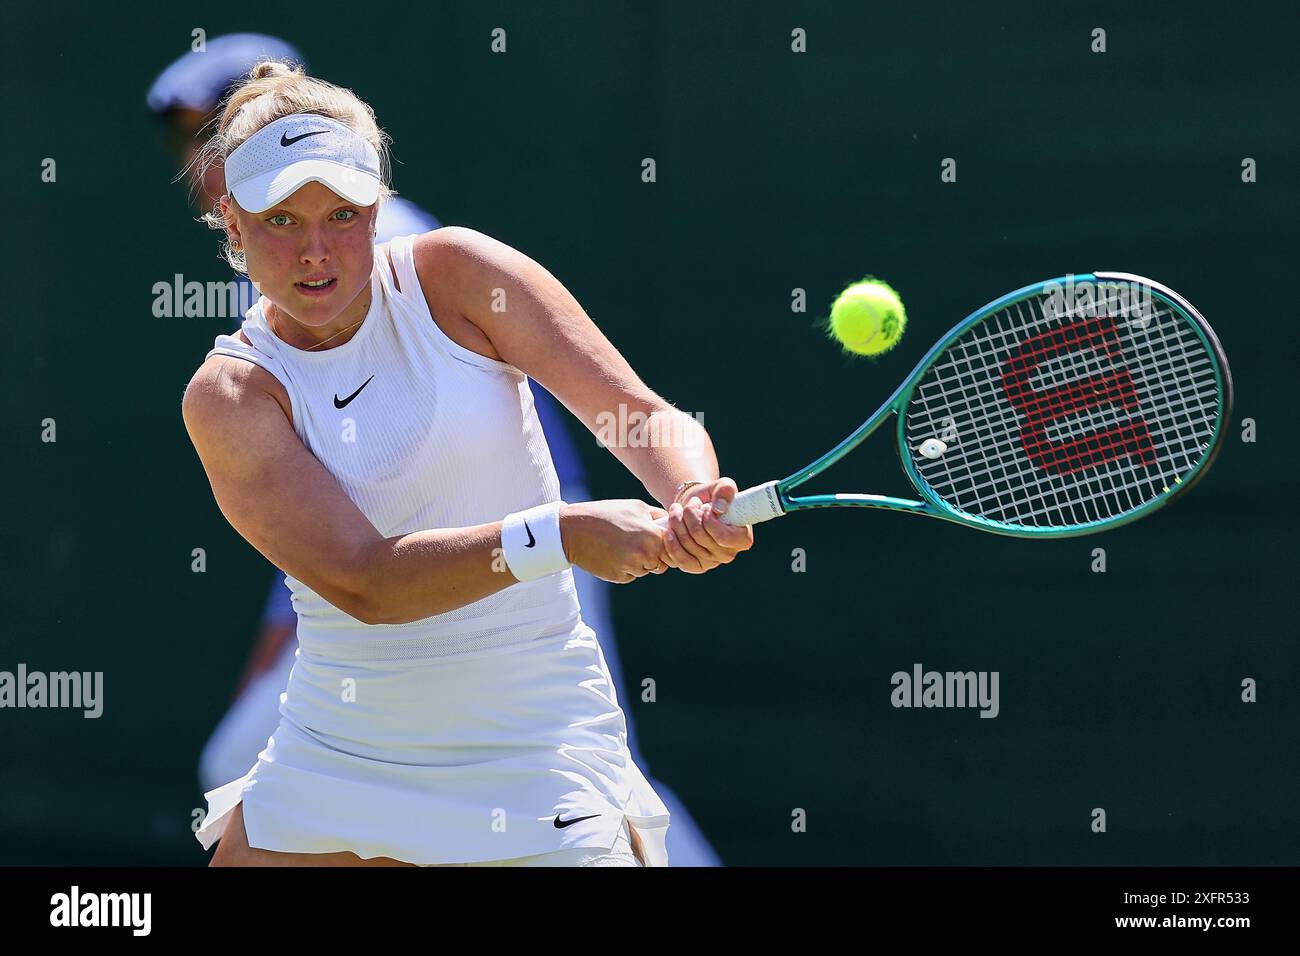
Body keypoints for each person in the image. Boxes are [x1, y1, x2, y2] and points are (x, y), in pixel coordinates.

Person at [150, 34, 723, 867]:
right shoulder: (230, 395)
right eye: (282, 220)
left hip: (534, 738)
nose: (316, 250)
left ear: (377, 208)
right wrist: (564, 533)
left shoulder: (458, 275)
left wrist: (694, 491)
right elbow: (367, 580)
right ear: (230, 224)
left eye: (342, 214)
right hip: (339, 749)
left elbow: (639, 417)